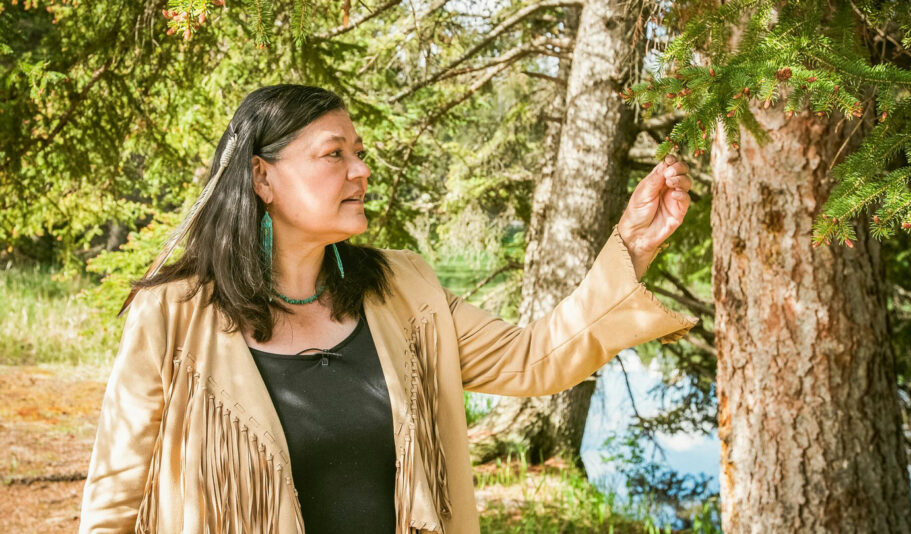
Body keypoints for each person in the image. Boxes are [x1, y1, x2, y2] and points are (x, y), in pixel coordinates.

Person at [77, 84, 699, 534]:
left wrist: (635, 243)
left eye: (360, 151)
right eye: (334, 154)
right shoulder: (172, 315)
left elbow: (537, 359)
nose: (361, 169)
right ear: (262, 178)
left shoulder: (403, 290)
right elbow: (114, 496)